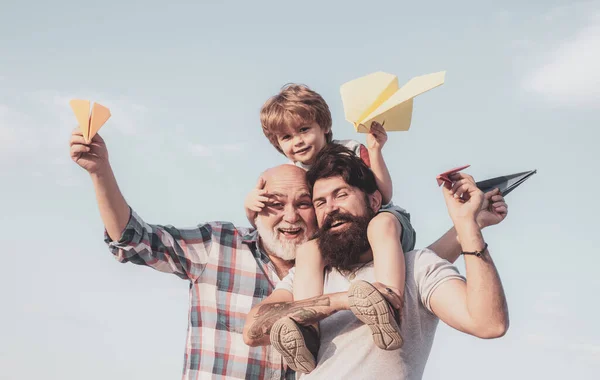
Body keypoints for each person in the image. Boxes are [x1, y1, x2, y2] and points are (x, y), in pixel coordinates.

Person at [243, 144, 509, 379]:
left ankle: (388, 309)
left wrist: (467, 226)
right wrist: (343, 301)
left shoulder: (417, 267)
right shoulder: (310, 275)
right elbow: (253, 330)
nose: (330, 208)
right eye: (320, 202)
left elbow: (489, 323)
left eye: (341, 195)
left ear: (374, 201)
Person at [69, 128, 317, 379]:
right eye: (276, 204)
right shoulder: (218, 245)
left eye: (303, 204)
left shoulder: (328, 269)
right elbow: (135, 238)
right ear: (257, 207)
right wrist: (100, 172)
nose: (291, 216)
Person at [245, 84, 416, 364]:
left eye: (303, 130)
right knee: (309, 251)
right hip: (342, 239)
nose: (297, 141)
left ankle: (389, 304)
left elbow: (384, 194)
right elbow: (280, 215)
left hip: (381, 223)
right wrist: (249, 205)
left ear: (323, 126)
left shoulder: (349, 150)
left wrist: (375, 150)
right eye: (286, 137)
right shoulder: (297, 176)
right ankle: (308, 331)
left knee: (379, 225)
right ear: (279, 146)